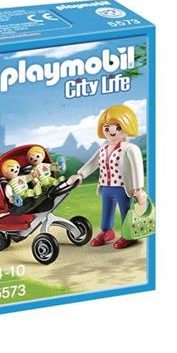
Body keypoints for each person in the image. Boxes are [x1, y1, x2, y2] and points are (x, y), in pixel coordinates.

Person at [67, 105, 147, 249]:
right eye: (107, 126)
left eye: (117, 126)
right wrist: (80, 174)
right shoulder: (103, 148)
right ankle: (107, 232)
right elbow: (92, 163)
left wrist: (139, 189)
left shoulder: (130, 148)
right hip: (105, 187)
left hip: (122, 187)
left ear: (127, 126)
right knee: (107, 211)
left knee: (126, 211)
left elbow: (137, 168)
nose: (111, 130)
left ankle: (128, 234)